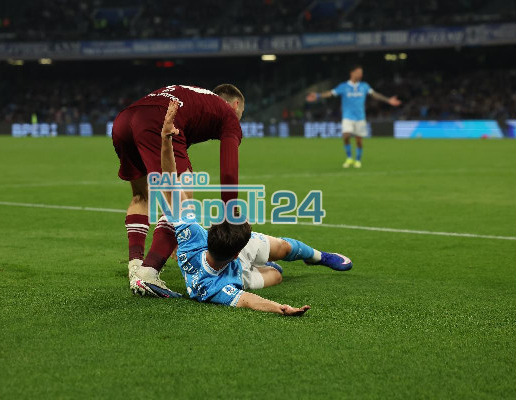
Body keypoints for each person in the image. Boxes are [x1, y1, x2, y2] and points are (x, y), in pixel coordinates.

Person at [133, 100, 352, 316]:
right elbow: (248, 300)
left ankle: (319, 257)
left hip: (226, 256)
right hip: (238, 276)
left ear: (209, 234)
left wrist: (166, 138)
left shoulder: (192, 238)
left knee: (284, 248)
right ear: (238, 252)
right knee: (276, 275)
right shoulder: (215, 288)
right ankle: (269, 265)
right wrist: (280, 308)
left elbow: (170, 181)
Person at [111, 84, 245, 295]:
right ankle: (148, 273)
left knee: (141, 195)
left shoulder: (197, 98)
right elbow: (228, 172)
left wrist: (175, 234)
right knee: (181, 199)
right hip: (157, 120)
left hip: (124, 120)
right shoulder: (228, 114)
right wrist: (230, 216)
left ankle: (135, 264)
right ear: (235, 105)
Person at [306, 65, 401, 168]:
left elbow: (375, 95)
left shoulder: (364, 86)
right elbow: (330, 93)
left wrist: (388, 100)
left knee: (359, 141)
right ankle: (349, 157)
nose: (360, 75)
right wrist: (318, 95)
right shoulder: (343, 86)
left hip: (360, 118)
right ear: (352, 73)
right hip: (347, 117)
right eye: (358, 72)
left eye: (361, 73)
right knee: (346, 135)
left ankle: (358, 160)